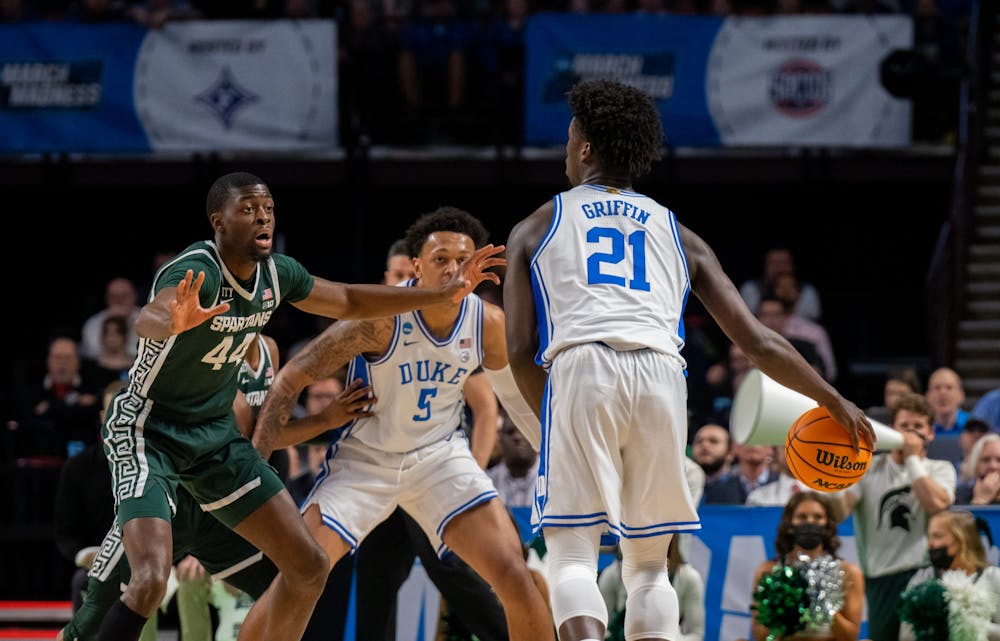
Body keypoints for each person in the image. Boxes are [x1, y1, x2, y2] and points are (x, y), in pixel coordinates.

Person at [502, 79, 874, 641]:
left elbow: (517, 349)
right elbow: (759, 342)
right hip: (660, 374)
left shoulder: (536, 225)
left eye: (569, 138)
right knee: (650, 566)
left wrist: (546, 422)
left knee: (573, 557)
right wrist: (832, 396)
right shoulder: (680, 233)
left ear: (584, 150)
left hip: (583, 367)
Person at [97, 171, 503, 641]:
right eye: (248, 209)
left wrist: (439, 293)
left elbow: (349, 298)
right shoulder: (197, 270)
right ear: (219, 222)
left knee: (310, 567)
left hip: (215, 436)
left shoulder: (278, 274)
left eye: (267, 209)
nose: (262, 216)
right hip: (150, 428)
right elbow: (151, 316)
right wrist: (168, 319)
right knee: (149, 581)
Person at [250, 206, 554, 641]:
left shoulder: (486, 322)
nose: (453, 270)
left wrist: (557, 450)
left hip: (439, 458)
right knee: (301, 576)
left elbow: (509, 399)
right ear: (416, 267)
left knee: (514, 575)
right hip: (365, 462)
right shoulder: (379, 320)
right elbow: (291, 378)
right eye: (440, 260)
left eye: (462, 260)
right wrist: (259, 470)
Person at [352, 237, 510, 641]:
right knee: (375, 585)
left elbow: (487, 407)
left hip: (429, 469)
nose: (410, 286)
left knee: (453, 570)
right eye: (401, 278)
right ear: (387, 280)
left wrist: (470, 473)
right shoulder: (372, 326)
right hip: (379, 471)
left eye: (412, 276)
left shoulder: (448, 326)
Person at [829, 392, 955, 641]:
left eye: (918, 426)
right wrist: (829, 481)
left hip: (924, 573)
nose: (909, 433)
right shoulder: (867, 469)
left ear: (931, 433)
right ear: (892, 429)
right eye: (904, 426)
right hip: (880, 578)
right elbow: (838, 512)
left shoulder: (940, 469)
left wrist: (911, 458)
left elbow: (936, 504)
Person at [750, 492, 864, 641]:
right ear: (790, 523)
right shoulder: (769, 571)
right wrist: (785, 610)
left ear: (827, 524)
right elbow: (760, 636)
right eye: (802, 517)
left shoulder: (848, 572)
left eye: (818, 517)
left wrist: (825, 607)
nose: (810, 522)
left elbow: (851, 636)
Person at [54, 380, 125, 614]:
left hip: (157, 561)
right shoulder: (78, 468)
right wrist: (87, 555)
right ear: (103, 416)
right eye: (114, 410)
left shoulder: (165, 463)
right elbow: (65, 533)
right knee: (82, 580)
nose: (121, 418)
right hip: (99, 561)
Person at [898, 509, 1000, 641]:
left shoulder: (994, 578)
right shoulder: (922, 579)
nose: (930, 544)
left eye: (937, 536)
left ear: (961, 540)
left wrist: (974, 626)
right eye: (929, 537)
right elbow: (906, 637)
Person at [738, 247, 823, 321]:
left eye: (783, 263)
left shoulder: (807, 290)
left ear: (792, 266)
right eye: (774, 263)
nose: (779, 268)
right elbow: (745, 318)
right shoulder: (750, 288)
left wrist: (791, 303)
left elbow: (812, 319)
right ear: (765, 266)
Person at [79, 277, 141, 360]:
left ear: (134, 296)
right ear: (107, 299)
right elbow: (93, 354)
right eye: (114, 297)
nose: (119, 301)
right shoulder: (93, 324)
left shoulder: (147, 320)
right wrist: (108, 322)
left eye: (124, 296)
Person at [955, 432, 1000, 505]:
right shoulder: (959, 497)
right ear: (975, 466)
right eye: (986, 460)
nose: (993, 466)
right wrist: (980, 500)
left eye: (999, 460)